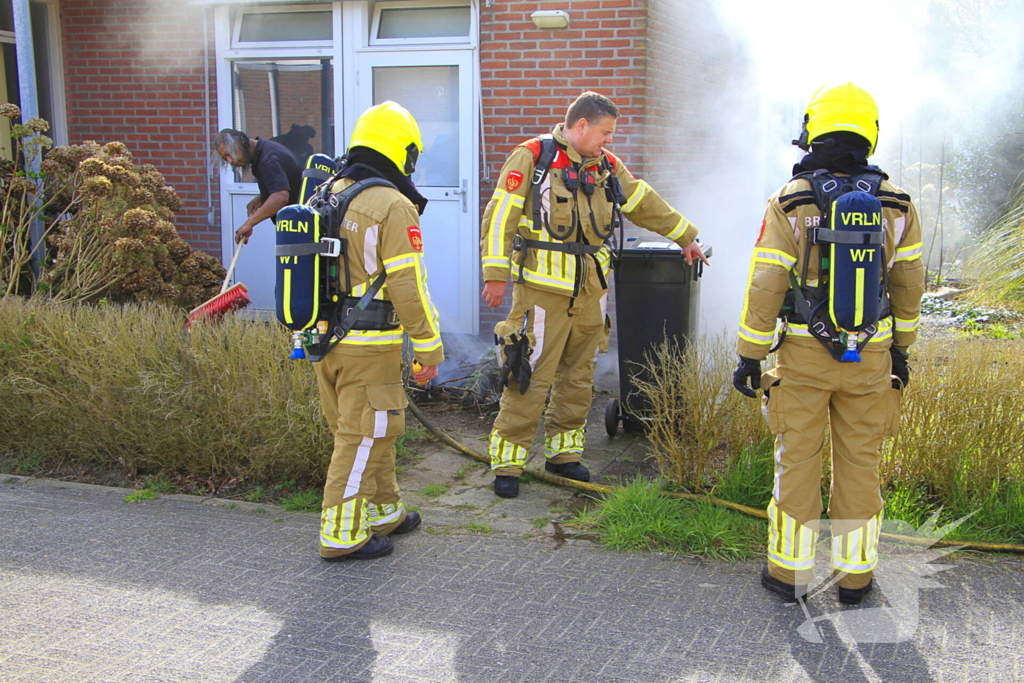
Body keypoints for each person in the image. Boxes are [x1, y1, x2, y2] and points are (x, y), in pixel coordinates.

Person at [732, 83, 925, 604]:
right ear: (870, 132)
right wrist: (901, 350)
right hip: (872, 358)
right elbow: (909, 286)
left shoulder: (791, 201)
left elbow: (767, 282)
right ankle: (855, 578)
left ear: (814, 128)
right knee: (862, 463)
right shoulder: (898, 205)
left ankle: (788, 575)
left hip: (803, 356)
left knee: (797, 460)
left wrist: (750, 356)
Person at [480, 91, 708, 499]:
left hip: (591, 291)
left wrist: (686, 237)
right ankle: (508, 464)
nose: (610, 140)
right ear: (581, 125)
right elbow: (500, 215)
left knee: (579, 376)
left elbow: (642, 200)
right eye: (605, 132)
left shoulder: (607, 166)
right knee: (527, 374)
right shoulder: (533, 157)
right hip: (542, 293)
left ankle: (563, 455)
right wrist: (495, 274)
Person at [311, 101, 443, 560]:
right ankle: (342, 534)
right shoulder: (391, 203)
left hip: (326, 341)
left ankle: (384, 511)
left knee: (374, 430)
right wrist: (429, 346)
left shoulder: (328, 191)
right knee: (363, 434)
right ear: (401, 150)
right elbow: (409, 286)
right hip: (369, 346)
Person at [215, 128, 302, 244]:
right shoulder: (266, 151)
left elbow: (281, 196)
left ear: (240, 141)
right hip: (299, 224)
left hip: (302, 227)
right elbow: (285, 183)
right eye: (225, 159)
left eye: (229, 154)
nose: (230, 161)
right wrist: (263, 197)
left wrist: (249, 223)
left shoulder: (268, 159)